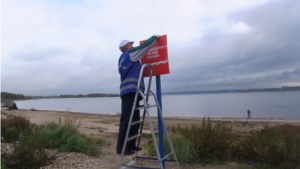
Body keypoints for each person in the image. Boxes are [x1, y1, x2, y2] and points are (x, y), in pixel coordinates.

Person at [116, 35, 159, 155]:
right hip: (130, 91)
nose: (132, 45)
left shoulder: (121, 58)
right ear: (125, 46)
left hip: (130, 91)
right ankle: (121, 148)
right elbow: (144, 47)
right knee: (126, 120)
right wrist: (154, 37)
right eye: (130, 44)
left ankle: (130, 144)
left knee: (135, 119)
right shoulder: (130, 53)